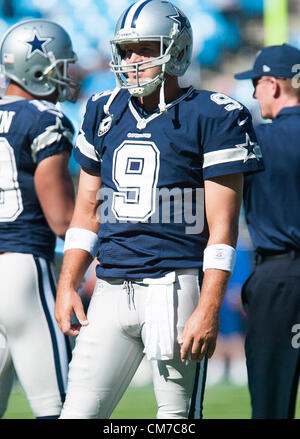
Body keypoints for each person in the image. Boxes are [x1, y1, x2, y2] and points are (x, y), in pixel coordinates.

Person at [55, 0, 263, 419]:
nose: (132, 60)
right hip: (111, 287)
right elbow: (86, 212)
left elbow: (222, 231)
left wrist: (208, 309)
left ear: (177, 51)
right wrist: (68, 283)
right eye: (127, 50)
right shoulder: (102, 109)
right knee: (76, 414)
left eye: (146, 49)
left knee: (175, 419)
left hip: (173, 287)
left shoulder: (214, 115)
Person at [0, 18, 80, 419]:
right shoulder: (44, 119)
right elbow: (62, 220)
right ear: (38, 68)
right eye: (60, 66)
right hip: (23, 269)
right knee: (61, 407)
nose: (66, 75)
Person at [234, 43, 300, 419]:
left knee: (272, 407)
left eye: (256, 83)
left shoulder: (255, 140)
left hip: (280, 279)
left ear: (273, 85)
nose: (254, 92)